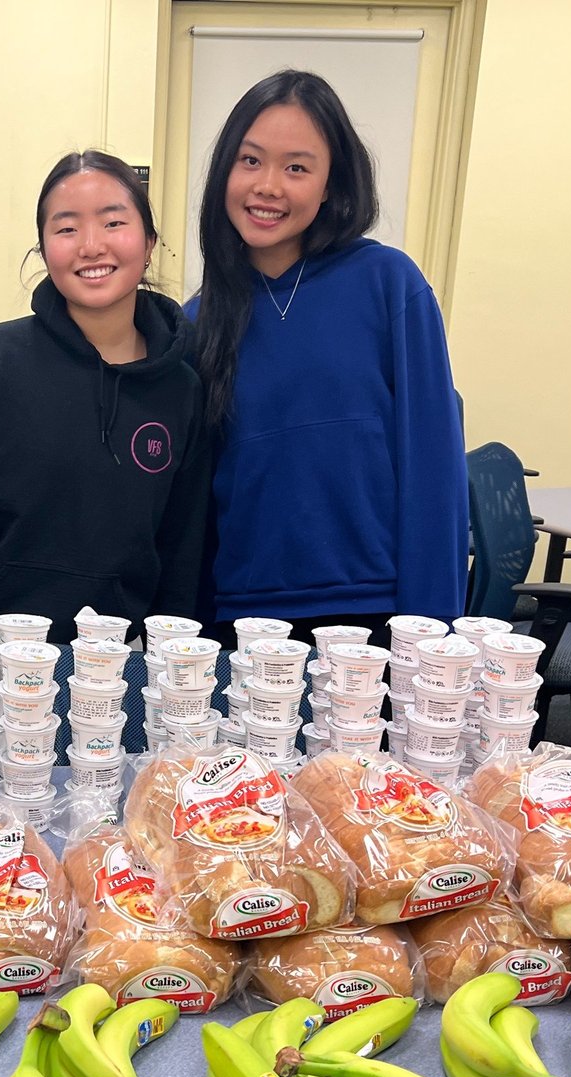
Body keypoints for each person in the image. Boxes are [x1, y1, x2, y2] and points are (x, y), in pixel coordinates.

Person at [0, 150, 210, 714]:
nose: (92, 245)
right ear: (43, 250)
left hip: (118, 665)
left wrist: (175, 671)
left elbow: (183, 547)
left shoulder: (181, 389)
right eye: (67, 228)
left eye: (114, 222)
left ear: (150, 241)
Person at [188, 70, 467, 646]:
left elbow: (433, 466)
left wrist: (431, 630)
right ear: (225, 173)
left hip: (374, 610)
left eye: (296, 167)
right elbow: (196, 504)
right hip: (241, 615)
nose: (268, 186)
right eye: (250, 160)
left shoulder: (388, 284)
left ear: (330, 185)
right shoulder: (197, 320)